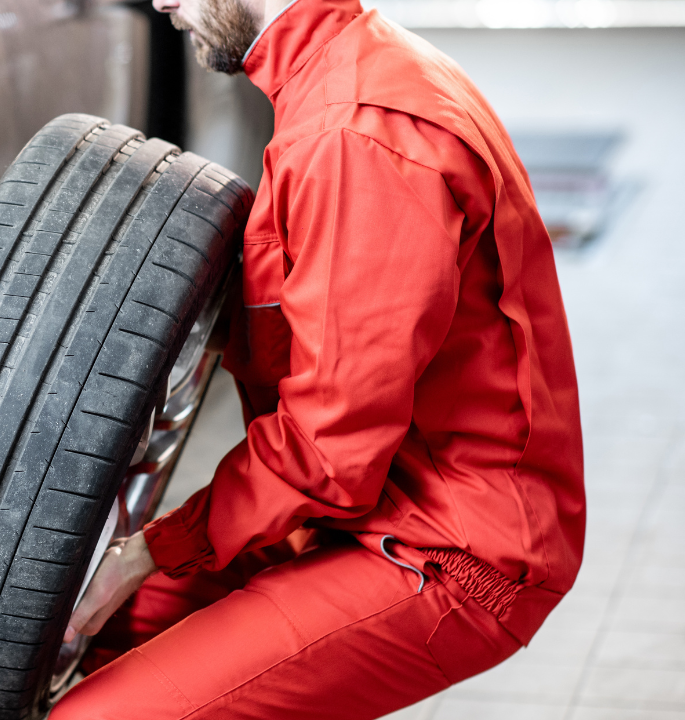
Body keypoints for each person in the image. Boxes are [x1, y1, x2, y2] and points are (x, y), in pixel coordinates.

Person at [50, 0, 585, 717]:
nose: (160, 1)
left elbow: (331, 447)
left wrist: (154, 547)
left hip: (447, 553)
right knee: (78, 633)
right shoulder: (330, 81)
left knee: (94, 716)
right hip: (359, 510)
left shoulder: (356, 133)